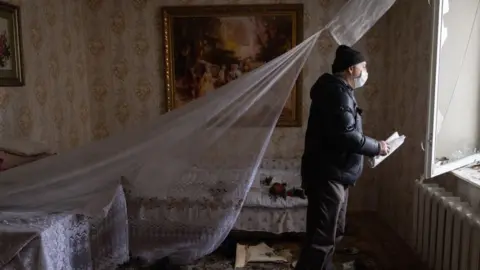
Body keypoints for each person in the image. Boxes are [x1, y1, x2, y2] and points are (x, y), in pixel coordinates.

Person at [294, 45, 390, 270]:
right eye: (363, 67)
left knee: (331, 234)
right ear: (350, 69)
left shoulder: (339, 91)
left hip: (335, 173)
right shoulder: (337, 93)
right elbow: (345, 135)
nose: (365, 72)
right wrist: (377, 147)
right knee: (321, 240)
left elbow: (345, 134)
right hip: (328, 175)